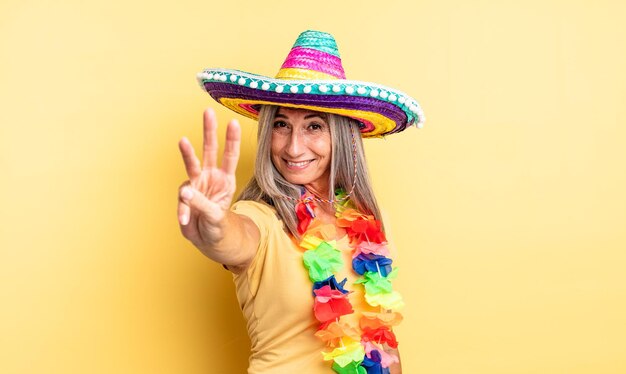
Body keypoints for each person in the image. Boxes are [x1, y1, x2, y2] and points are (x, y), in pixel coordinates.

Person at [177, 30, 424, 374]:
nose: (293, 147)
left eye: (313, 126)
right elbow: (233, 239)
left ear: (341, 135)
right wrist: (212, 226)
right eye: (281, 125)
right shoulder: (259, 217)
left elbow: (382, 338)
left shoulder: (368, 220)